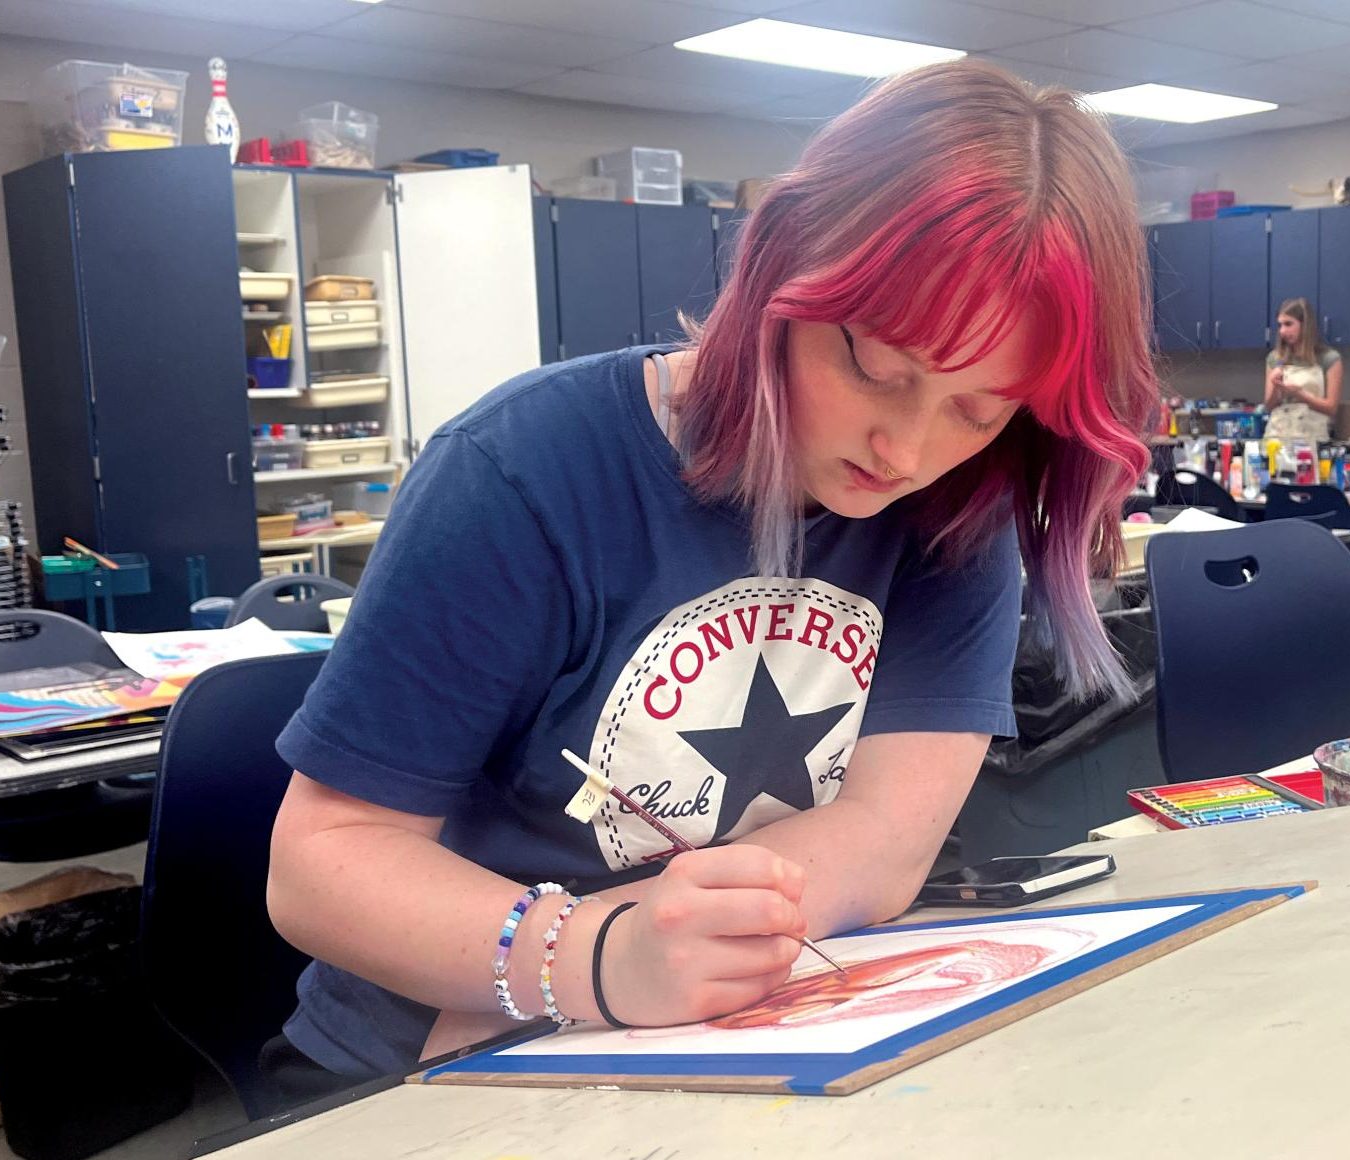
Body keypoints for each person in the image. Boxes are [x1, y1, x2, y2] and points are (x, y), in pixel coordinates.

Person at [260, 59, 1159, 1094]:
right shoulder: (518, 476)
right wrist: (598, 955)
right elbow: (323, 861)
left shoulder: (959, 513)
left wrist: (714, 942)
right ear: (782, 274)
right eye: (877, 366)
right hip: (411, 1072)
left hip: (718, 1045)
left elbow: (884, 838)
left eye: (979, 406)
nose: (906, 448)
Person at [1263, 297, 1342, 443]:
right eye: (1280, 325)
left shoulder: (1329, 359)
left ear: (1305, 325)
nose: (1283, 331)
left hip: (1313, 437)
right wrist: (1275, 386)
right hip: (1278, 437)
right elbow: (1269, 407)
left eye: (1288, 324)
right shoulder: (1275, 358)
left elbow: (1331, 408)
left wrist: (1299, 394)